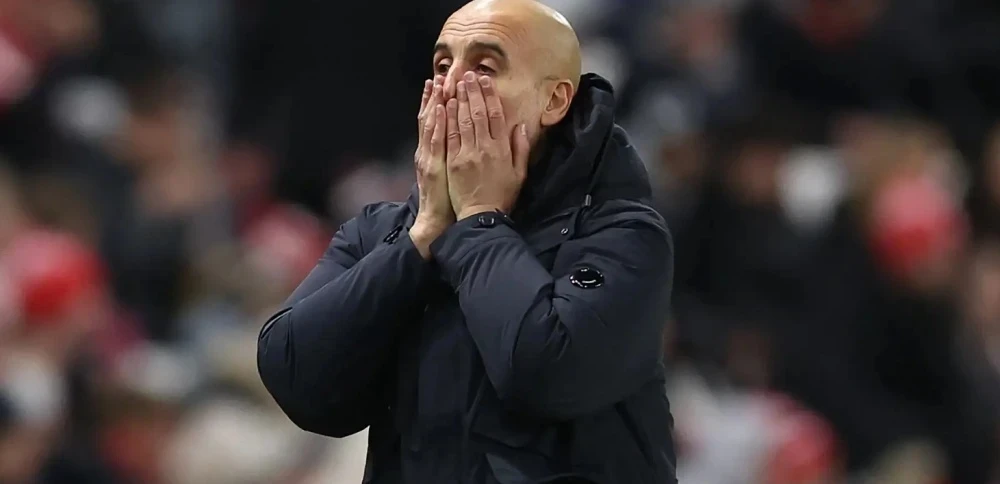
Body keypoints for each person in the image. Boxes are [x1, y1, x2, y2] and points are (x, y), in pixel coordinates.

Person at [256, 0, 677, 482]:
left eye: (484, 67)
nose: (452, 84)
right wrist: (421, 238)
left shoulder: (623, 234)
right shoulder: (383, 230)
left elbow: (545, 373)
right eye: (441, 65)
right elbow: (295, 377)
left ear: (555, 101)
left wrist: (479, 219)